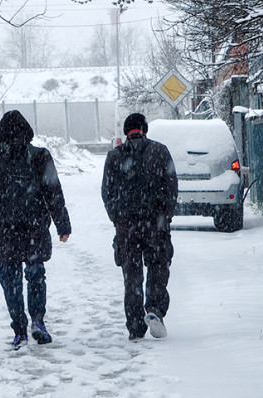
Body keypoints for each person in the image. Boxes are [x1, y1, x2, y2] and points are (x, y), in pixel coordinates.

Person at [0, 110, 72, 350]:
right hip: (34, 228)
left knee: (9, 279)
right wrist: (62, 225)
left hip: (2, 229)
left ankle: (19, 328)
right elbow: (53, 192)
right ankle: (38, 320)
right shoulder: (40, 156)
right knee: (36, 275)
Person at [101, 113, 178, 341]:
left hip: (127, 227)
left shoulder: (115, 156)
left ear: (126, 132)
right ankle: (154, 309)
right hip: (156, 224)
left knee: (132, 275)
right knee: (157, 267)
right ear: (145, 129)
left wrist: (118, 218)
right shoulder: (160, 151)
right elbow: (172, 186)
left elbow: (107, 192)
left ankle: (135, 327)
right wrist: (166, 216)